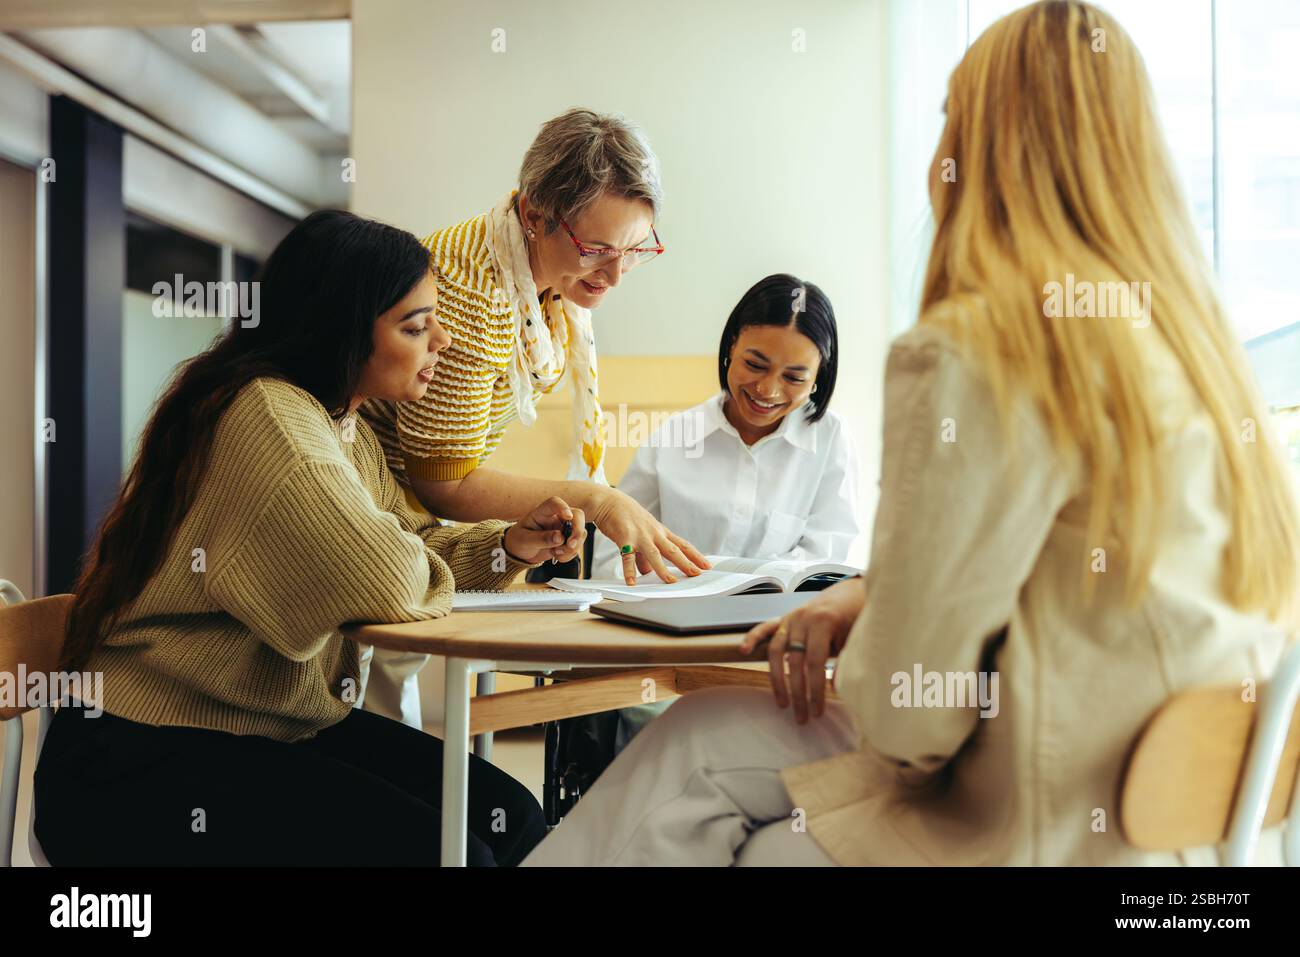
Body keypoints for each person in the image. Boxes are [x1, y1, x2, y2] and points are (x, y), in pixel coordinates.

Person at [522, 0, 1300, 866]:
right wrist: (873, 597)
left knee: (701, 766)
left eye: (948, 125)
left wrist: (885, 622)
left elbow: (908, 716)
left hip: (1033, 816)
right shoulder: (1200, 358)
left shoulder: (971, 352)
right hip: (1186, 829)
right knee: (707, 751)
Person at [35, 210, 570, 866]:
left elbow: (408, 548)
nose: (445, 341)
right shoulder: (269, 417)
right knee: (454, 854)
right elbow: (380, 577)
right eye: (415, 325)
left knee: (512, 817)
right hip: (139, 754)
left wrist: (507, 546)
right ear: (343, 329)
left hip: (263, 723)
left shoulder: (342, 426)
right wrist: (409, 553)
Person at [357, 108, 710, 728]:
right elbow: (442, 479)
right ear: (533, 215)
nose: (616, 274)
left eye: (635, 249)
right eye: (598, 249)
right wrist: (593, 498)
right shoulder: (467, 297)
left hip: (407, 507)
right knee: (375, 711)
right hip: (368, 508)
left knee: (399, 705)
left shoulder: (544, 277)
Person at [590, 273, 860, 579]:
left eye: (794, 378)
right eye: (755, 365)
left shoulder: (831, 440)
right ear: (732, 346)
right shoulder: (674, 437)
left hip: (780, 621)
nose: (768, 390)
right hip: (673, 615)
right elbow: (610, 558)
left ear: (817, 378)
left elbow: (827, 564)